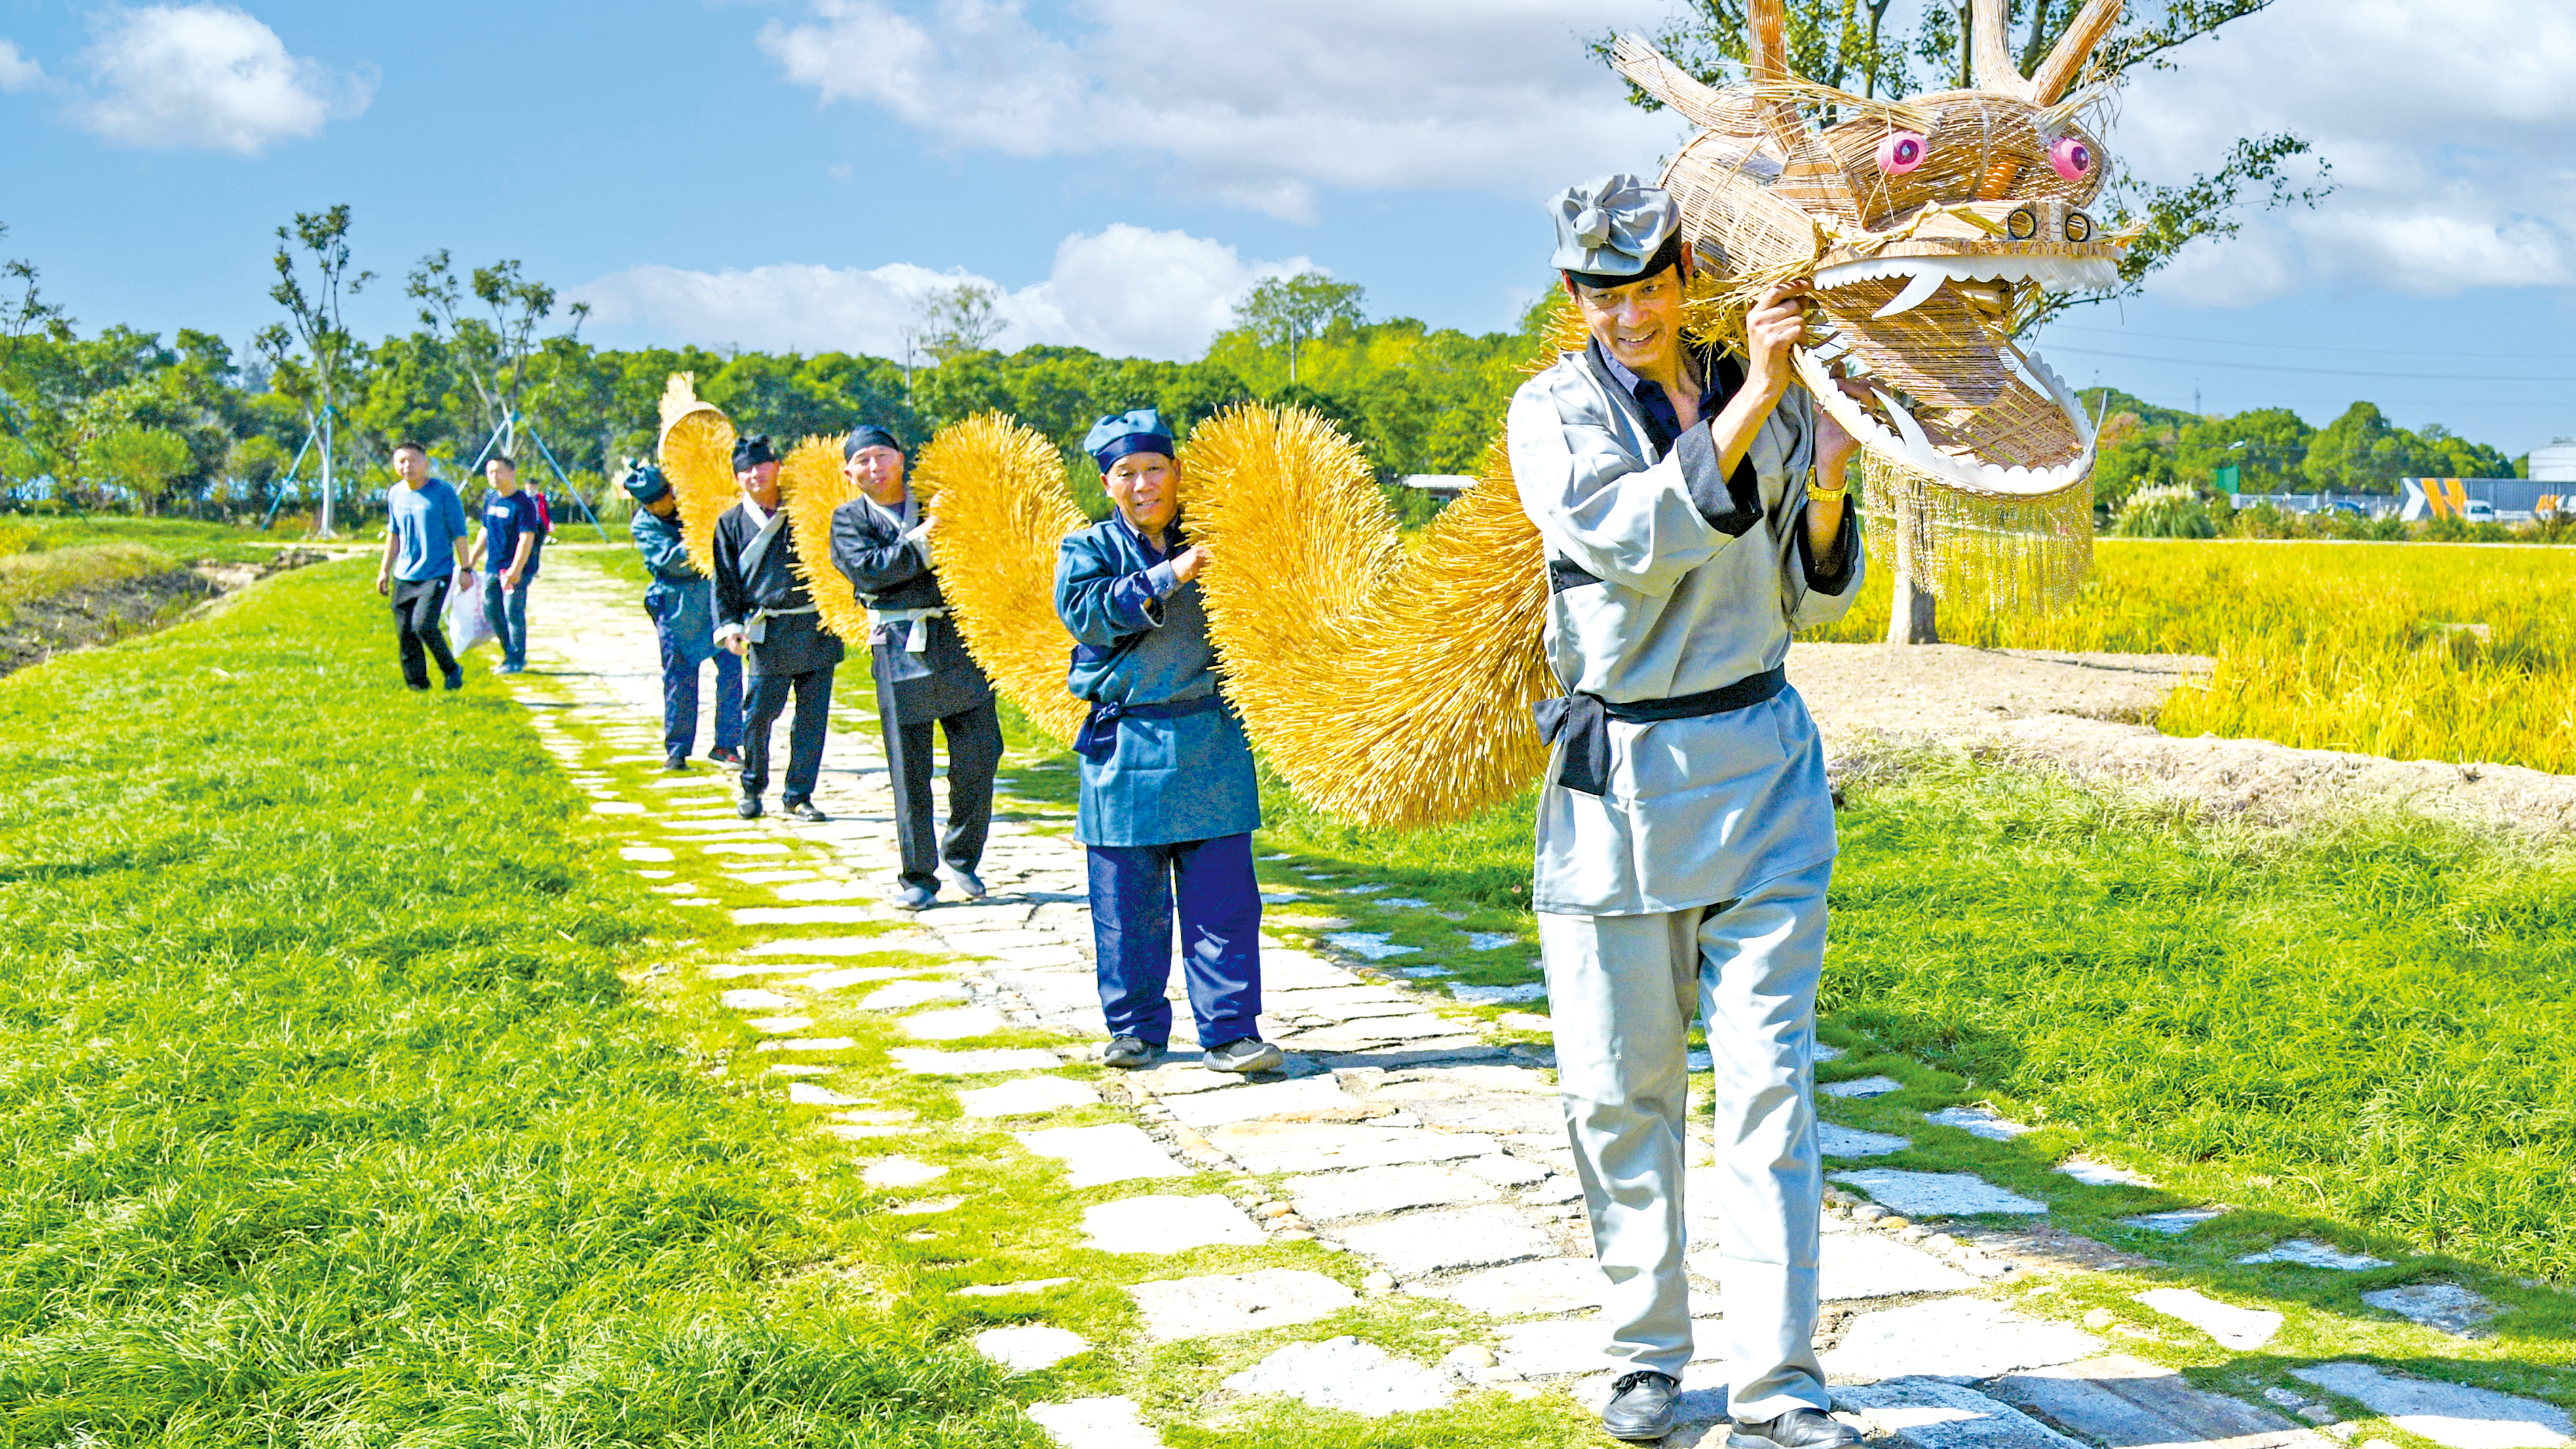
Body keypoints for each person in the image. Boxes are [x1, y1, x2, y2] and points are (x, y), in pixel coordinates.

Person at [1507, 174, 1867, 1444]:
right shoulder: (1547, 415)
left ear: (1681, 272)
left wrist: (1823, 479)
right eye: (1605, 293)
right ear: (1574, 297)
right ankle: (1646, 1353)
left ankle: (1781, 1380)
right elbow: (1630, 535)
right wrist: (1766, 398)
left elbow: (1804, 595)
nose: (1633, 312)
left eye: (1651, 283)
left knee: (1771, 1093)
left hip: (1765, 772)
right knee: (1623, 1093)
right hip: (1620, 800)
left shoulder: (1746, 380)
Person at [1054, 410, 1281, 1076]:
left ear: (1178, 473)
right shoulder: (1086, 548)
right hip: (1124, 741)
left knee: (1224, 902)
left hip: (1209, 738)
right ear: (1106, 484)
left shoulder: (1222, 540)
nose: (1143, 484)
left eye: (1155, 468)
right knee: (1126, 907)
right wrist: (1172, 574)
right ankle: (1134, 1032)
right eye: (1126, 473)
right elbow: (1088, 611)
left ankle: (1232, 1034)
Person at [829, 425, 1004, 911]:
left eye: (882, 456)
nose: (874, 467)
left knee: (982, 751)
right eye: (862, 460)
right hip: (896, 648)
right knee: (910, 770)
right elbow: (871, 571)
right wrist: (926, 542)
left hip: (957, 642)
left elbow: (975, 555)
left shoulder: (940, 502)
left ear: (902, 459)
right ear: (849, 472)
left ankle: (962, 853)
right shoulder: (847, 519)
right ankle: (918, 876)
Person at [712, 435, 841, 821]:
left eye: (761, 465)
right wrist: (731, 626)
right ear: (737, 478)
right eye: (745, 470)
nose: (755, 474)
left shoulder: (806, 510)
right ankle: (752, 786)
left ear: (777, 467)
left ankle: (799, 795)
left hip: (816, 626)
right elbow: (724, 581)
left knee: (812, 718)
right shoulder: (730, 523)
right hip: (767, 631)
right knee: (759, 714)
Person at [626, 461, 742, 772]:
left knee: (731, 673)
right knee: (679, 678)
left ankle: (727, 744)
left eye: (666, 493)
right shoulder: (643, 525)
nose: (665, 502)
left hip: (716, 600)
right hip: (675, 605)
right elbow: (670, 560)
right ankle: (677, 749)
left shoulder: (694, 506)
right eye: (655, 500)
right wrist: (704, 540)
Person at [375, 439, 472, 691]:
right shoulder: (395, 494)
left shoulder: (443, 492)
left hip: (436, 571)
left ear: (426, 463)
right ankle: (418, 685)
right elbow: (394, 535)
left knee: (423, 625)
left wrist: (466, 569)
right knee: (406, 633)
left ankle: (451, 668)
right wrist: (384, 570)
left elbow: (459, 533)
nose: (408, 466)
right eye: (401, 461)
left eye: (413, 460)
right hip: (404, 574)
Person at [466, 454, 543, 674]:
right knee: (491, 609)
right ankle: (508, 651)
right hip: (492, 567)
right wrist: (470, 562)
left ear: (512, 473)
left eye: (499, 471)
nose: (494, 476)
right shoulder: (491, 499)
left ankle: (516, 659)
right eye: (490, 472)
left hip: (515, 570)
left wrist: (516, 570)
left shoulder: (524, 504)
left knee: (513, 612)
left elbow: (526, 538)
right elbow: (485, 531)